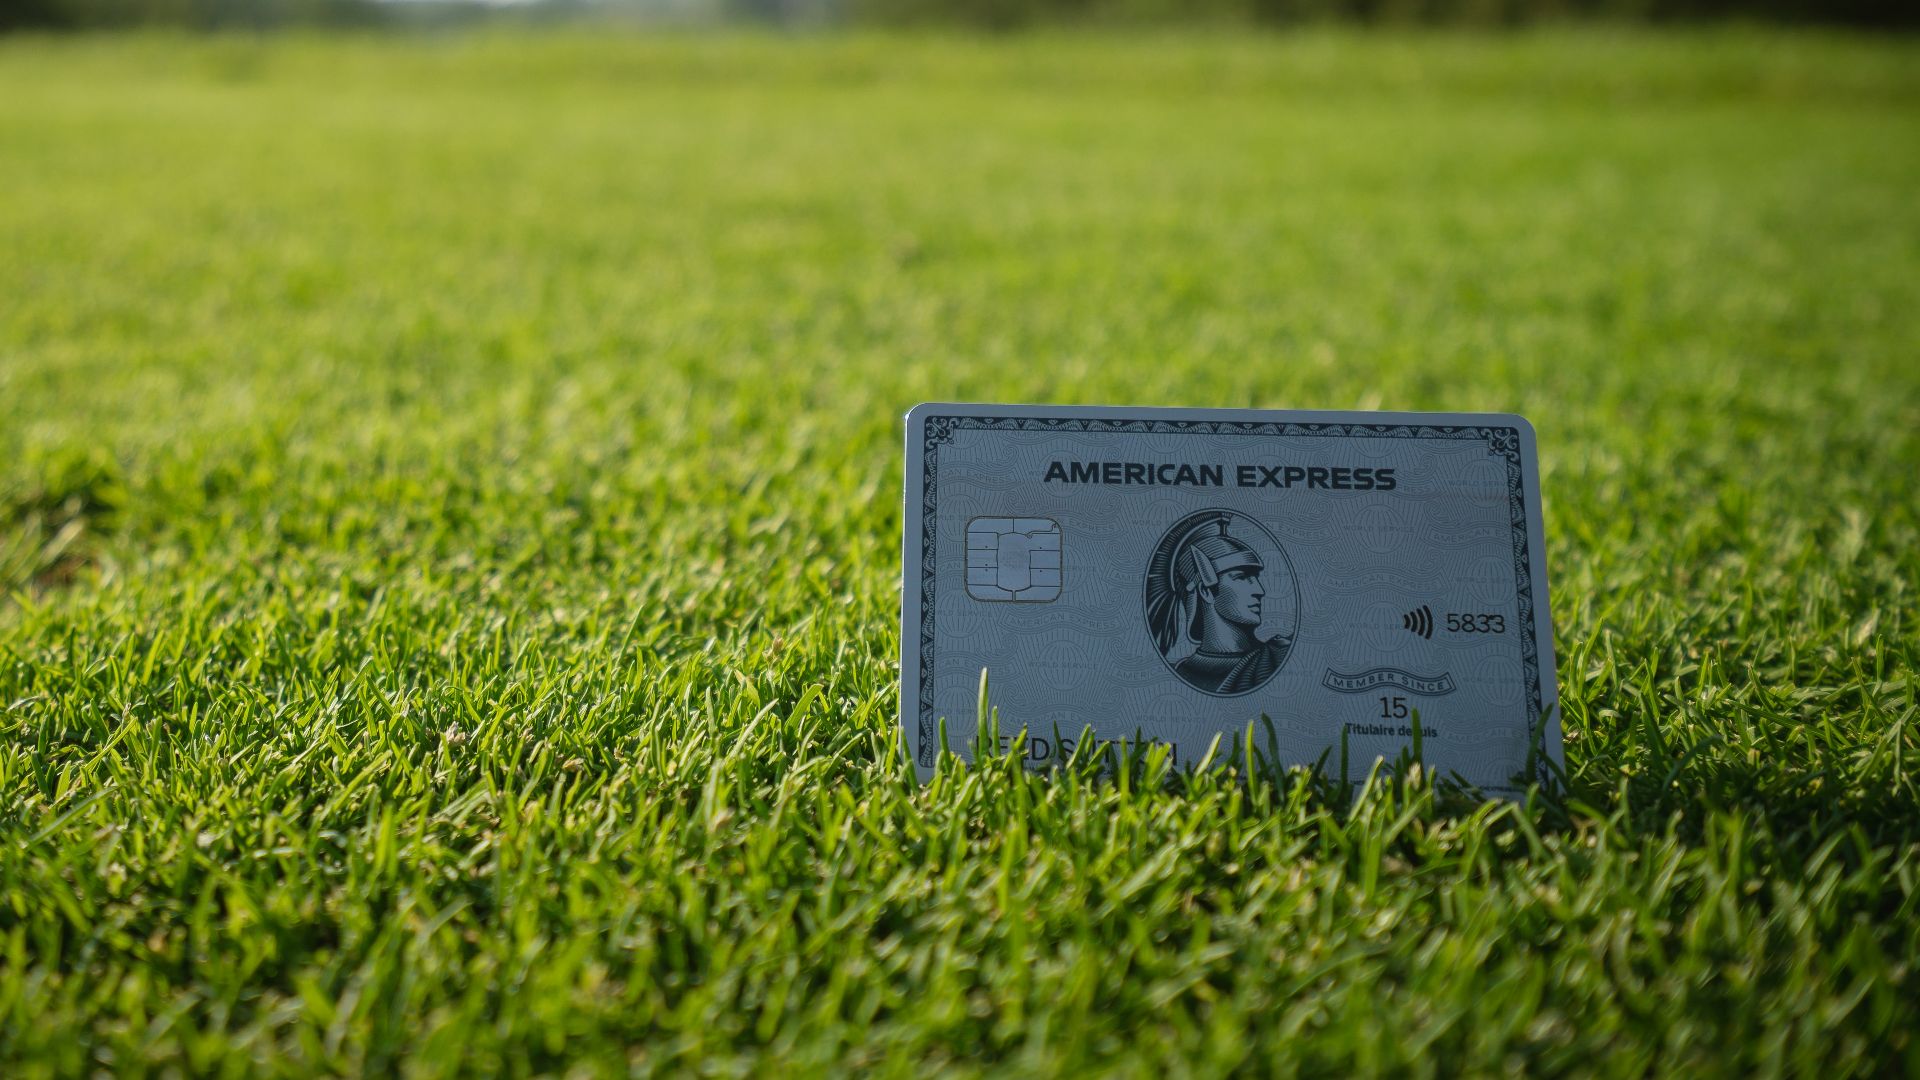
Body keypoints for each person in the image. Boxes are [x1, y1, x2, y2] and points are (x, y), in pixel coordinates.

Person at [1146, 514, 1291, 695]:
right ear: (1206, 592)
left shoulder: (1278, 656)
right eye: (1242, 577)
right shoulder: (1176, 672)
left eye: (1256, 578)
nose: (1260, 591)